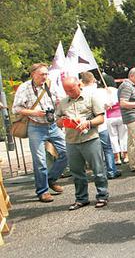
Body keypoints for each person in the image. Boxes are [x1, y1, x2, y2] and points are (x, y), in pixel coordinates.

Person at [11, 63, 68, 203]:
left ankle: (50, 179)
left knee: (67, 153)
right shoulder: (24, 88)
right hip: (35, 126)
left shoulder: (50, 85)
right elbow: (16, 108)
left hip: (53, 125)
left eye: (46, 74)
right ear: (33, 74)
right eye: (42, 74)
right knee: (40, 161)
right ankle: (43, 191)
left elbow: (59, 102)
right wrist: (34, 112)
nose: (45, 76)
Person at [56, 76, 110, 210]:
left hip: (90, 138)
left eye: (71, 89)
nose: (69, 92)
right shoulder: (62, 103)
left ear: (79, 85)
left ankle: (102, 195)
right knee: (76, 172)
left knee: (98, 169)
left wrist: (88, 123)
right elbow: (57, 122)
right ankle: (81, 198)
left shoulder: (91, 97)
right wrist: (62, 121)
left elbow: (101, 117)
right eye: (66, 90)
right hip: (71, 141)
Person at [80, 72, 121, 179]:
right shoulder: (101, 91)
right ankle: (111, 171)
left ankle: (98, 172)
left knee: (94, 151)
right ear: (93, 80)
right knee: (107, 148)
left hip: (87, 125)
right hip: (101, 123)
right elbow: (109, 105)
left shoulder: (81, 92)